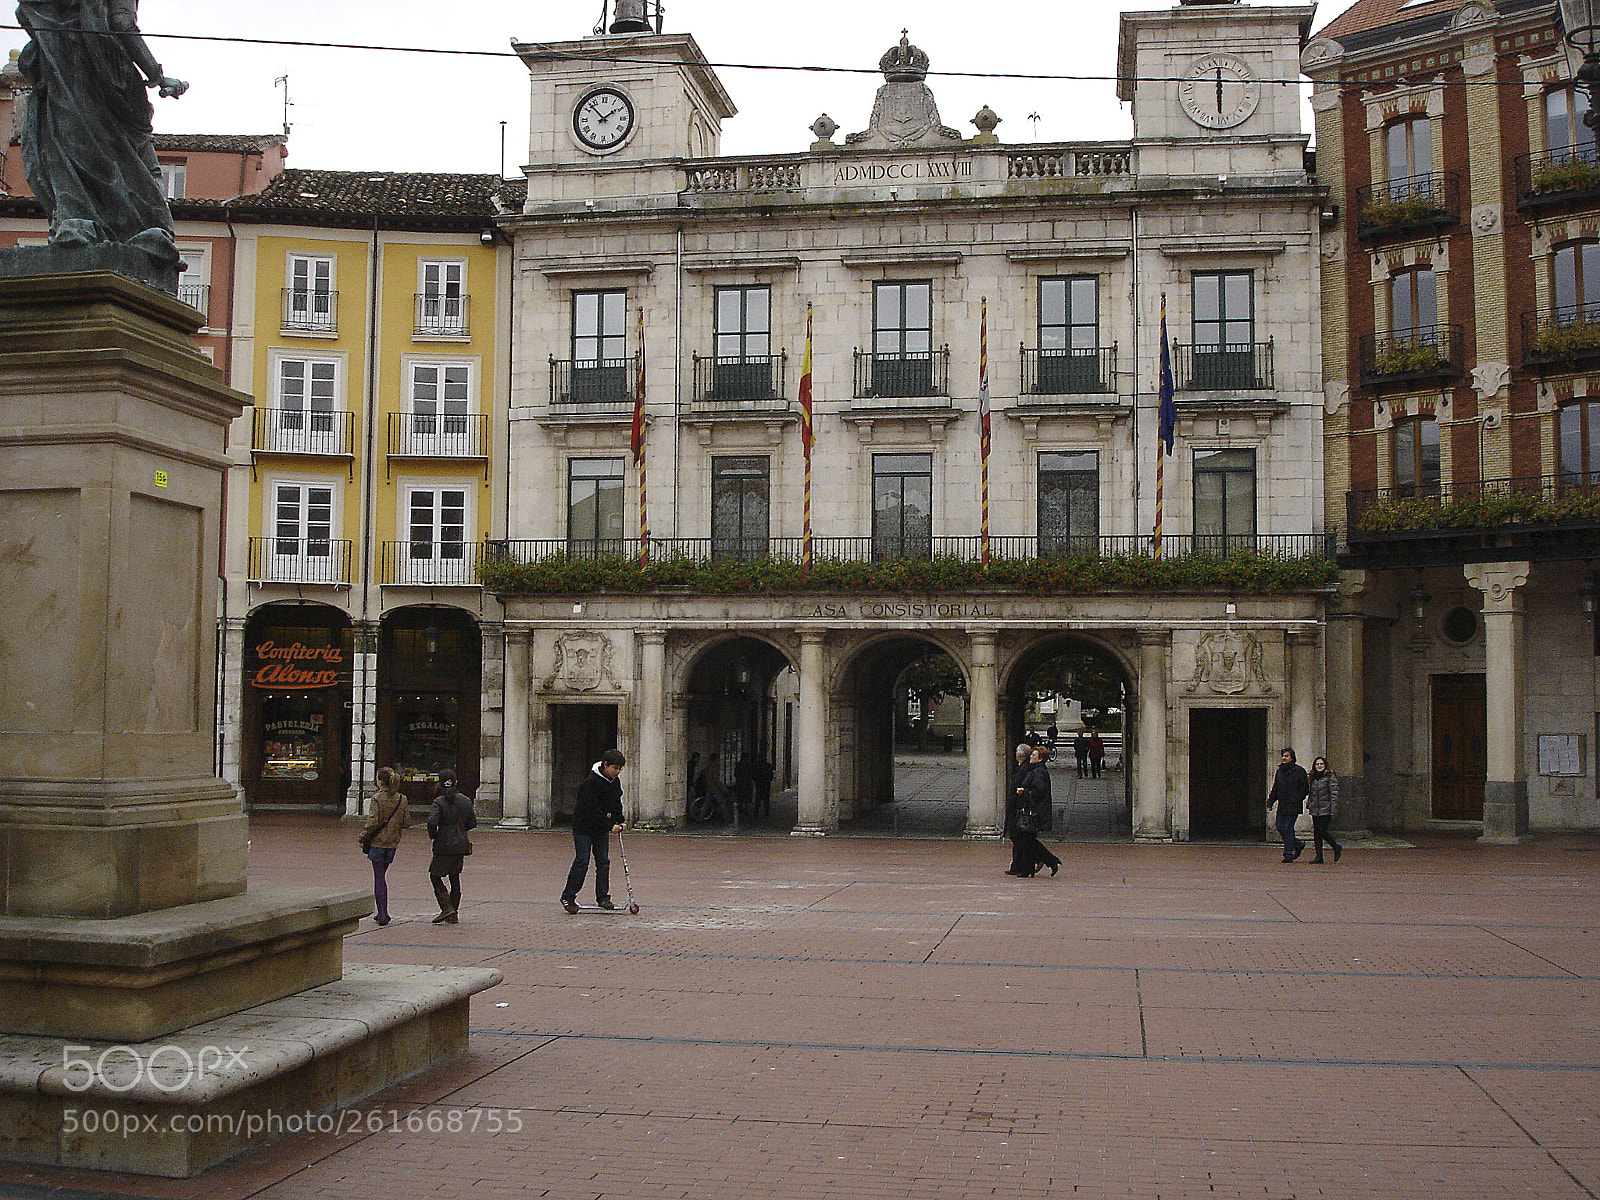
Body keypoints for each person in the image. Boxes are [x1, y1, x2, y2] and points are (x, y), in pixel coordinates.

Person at [15, 0, 188, 264]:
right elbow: (122, 23)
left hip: (57, 65)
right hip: (104, 76)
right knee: (123, 152)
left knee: (67, 145)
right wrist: (157, 75)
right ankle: (139, 226)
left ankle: (75, 221)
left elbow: (24, 13)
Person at [562, 749, 627, 913]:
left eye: (620, 769)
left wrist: (620, 819)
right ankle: (568, 896)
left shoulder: (615, 782)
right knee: (582, 861)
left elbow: (615, 802)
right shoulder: (590, 783)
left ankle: (603, 897)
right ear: (605, 765)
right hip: (584, 827)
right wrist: (609, 825)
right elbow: (590, 810)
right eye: (615, 768)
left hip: (600, 829)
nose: (617, 772)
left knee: (604, 862)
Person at [358, 766, 408, 926]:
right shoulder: (402, 799)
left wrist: (363, 837)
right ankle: (382, 911)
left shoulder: (377, 798)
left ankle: (382, 913)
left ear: (380, 782)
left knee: (379, 877)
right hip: (393, 842)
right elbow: (406, 822)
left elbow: (372, 822)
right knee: (382, 875)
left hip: (378, 842)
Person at [426, 770, 476, 924]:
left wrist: (434, 834)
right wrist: (461, 831)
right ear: (455, 783)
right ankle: (453, 912)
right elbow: (473, 822)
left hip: (443, 843)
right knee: (455, 876)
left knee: (435, 875)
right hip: (460, 843)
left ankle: (446, 907)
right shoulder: (465, 800)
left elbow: (432, 822)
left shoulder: (439, 802)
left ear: (440, 784)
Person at [1008, 745, 1061, 878]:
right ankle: (1047, 861)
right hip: (1030, 810)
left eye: (1034, 756)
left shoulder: (1039, 772)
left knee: (1025, 840)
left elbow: (1039, 792)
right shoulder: (1034, 770)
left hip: (1034, 812)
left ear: (1040, 759)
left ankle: (1036, 865)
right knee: (1027, 840)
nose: (1031, 757)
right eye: (1031, 755)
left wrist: (1024, 792)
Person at [1268, 748, 1309, 863]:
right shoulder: (1279, 771)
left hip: (1293, 804)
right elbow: (1275, 787)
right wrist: (1271, 801)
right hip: (1283, 804)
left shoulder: (1299, 771)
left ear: (1292, 757)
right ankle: (1298, 844)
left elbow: (1305, 788)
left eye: (1286, 756)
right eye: (1283, 756)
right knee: (1280, 826)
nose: (1284, 758)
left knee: (1288, 827)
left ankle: (1288, 853)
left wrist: (1297, 798)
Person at [1306, 756, 1343, 864]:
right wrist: (1309, 804)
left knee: (1322, 831)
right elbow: (1311, 793)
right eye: (1317, 764)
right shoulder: (1313, 777)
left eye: (1321, 764)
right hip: (1315, 808)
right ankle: (1319, 856)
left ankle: (1336, 846)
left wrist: (1333, 809)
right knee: (1317, 833)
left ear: (1325, 765)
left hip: (1326, 808)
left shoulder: (1330, 777)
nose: (1319, 766)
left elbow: (1334, 794)